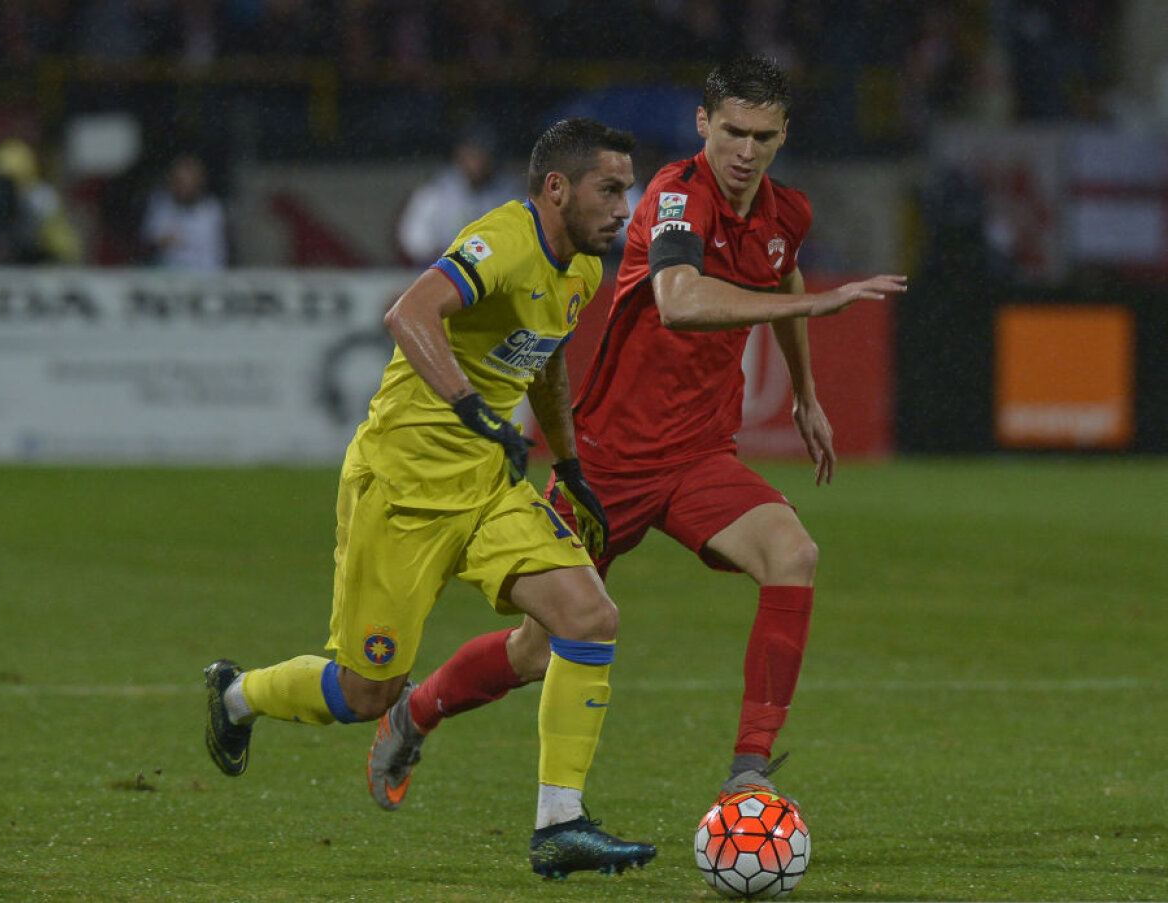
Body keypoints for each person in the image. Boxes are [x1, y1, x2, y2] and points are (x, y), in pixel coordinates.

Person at [368, 57, 907, 810]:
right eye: (732, 132)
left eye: (763, 136)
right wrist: (816, 308)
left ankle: (748, 771)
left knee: (794, 553)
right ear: (702, 125)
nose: (745, 151)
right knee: (535, 647)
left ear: (784, 135)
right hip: (609, 460)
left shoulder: (787, 214)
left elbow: (780, 272)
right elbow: (681, 301)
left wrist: (806, 395)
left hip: (699, 456)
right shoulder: (673, 196)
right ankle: (415, 709)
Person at [204, 117, 656, 879]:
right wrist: (471, 408)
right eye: (609, 188)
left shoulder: (580, 267)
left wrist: (570, 462)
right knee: (360, 689)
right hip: (403, 490)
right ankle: (238, 696)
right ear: (556, 188)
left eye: (628, 188)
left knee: (588, 617)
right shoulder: (505, 241)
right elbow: (409, 313)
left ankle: (559, 824)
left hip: (488, 485)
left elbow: (543, 364)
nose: (625, 205)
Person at [394, 125, 522, 265]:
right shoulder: (436, 191)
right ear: (459, 154)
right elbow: (413, 239)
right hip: (442, 270)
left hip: (494, 271)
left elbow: (521, 239)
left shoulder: (508, 192)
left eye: (483, 155)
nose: (477, 162)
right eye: (472, 154)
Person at [0, 138, 82, 265]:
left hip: (24, 267)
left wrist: (39, 253)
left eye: (13, 183)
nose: (6, 192)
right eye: (2, 183)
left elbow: (64, 248)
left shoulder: (40, 198)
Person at [141, 153, 229, 269]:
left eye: (189, 181)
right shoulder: (161, 207)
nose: (184, 186)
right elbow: (150, 242)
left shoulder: (213, 209)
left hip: (208, 277)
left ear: (199, 181)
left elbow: (222, 248)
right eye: (179, 181)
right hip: (169, 278)